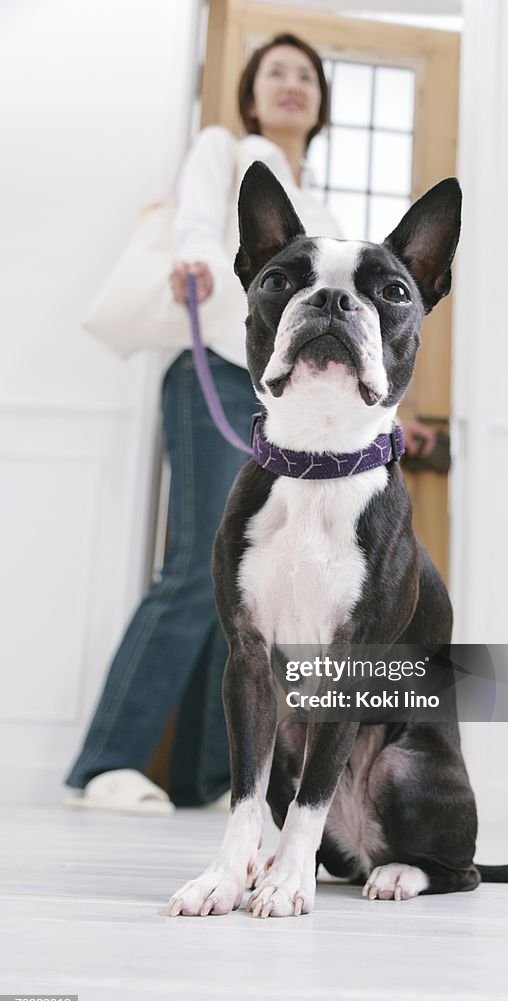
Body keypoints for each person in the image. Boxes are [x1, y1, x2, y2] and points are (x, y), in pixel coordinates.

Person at [63, 33, 343, 815]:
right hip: (215, 368)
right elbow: (195, 219)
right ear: (251, 94)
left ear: (321, 102)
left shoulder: (320, 205)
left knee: (248, 588)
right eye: (275, 74)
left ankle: (214, 777)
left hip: (283, 406)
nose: (291, 85)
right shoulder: (227, 149)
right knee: (196, 570)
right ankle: (106, 764)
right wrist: (193, 255)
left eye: (305, 76)